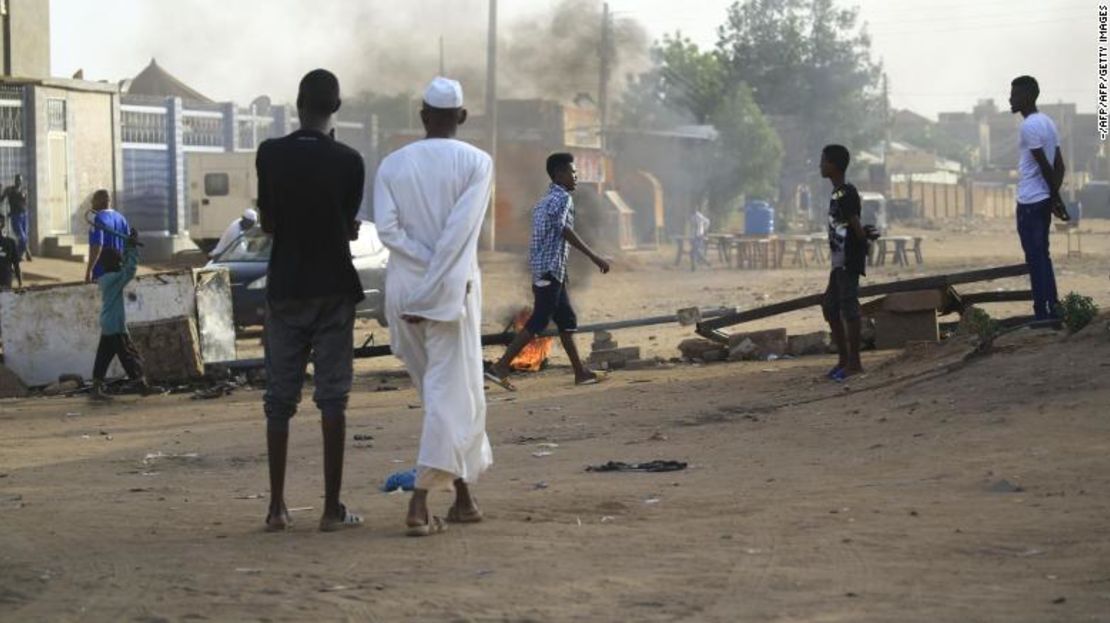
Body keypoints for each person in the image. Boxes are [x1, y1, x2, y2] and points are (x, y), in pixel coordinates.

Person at [374, 77, 494, 537]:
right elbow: (459, 235)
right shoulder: (478, 163)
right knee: (451, 394)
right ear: (462, 117)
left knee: (440, 396)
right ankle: (420, 504)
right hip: (447, 293)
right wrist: (435, 282)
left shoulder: (392, 164)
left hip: (405, 290)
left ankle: (464, 498)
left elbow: (387, 230)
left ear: (422, 114)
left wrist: (422, 275)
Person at [256, 69, 365, 533]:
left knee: (279, 401)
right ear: (335, 109)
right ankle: (330, 509)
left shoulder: (270, 154)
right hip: (334, 289)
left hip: (285, 288)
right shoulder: (350, 160)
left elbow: (268, 223)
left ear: (296, 103)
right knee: (332, 399)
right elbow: (345, 223)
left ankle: (277, 508)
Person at [487, 153, 610, 390]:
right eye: (572, 172)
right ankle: (500, 367)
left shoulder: (543, 201)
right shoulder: (562, 198)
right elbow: (564, 230)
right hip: (549, 271)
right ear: (559, 174)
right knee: (539, 320)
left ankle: (581, 372)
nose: (576, 177)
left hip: (551, 272)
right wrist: (594, 256)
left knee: (566, 320)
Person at [1009, 75, 1067, 321]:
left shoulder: (1029, 125)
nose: (1010, 99)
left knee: (1035, 258)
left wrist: (1055, 198)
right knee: (1043, 255)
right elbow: (1059, 166)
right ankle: (1052, 306)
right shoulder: (1048, 122)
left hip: (1031, 202)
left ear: (1028, 97)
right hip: (1042, 200)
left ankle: (1042, 313)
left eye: (1015, 94)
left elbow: (1045, 165)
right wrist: (1055, 198)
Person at [819, 145, 878, 382]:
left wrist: (863, 238)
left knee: (848, 307)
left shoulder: (846, 192)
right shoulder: (838, 193)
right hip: (838, 260)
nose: (821, 165)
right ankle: (844, 360)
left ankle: (854, 363)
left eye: (824, 161)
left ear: (834, 165)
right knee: (830, 306)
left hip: (848, 259)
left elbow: (854, 222)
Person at [90, 229, 154, 401]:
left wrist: (128, 245)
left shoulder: (106, 277)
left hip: (108, 322)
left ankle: (96, 387)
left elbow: (125, 266)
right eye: (118, 261)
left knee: (104, 356)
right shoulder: (114, 279)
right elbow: (130, 269)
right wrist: (132, 248)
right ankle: (140, 383)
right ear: (114, 263)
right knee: (128, 354)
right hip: (115, 323)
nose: (120, 263)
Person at [85, 190, 130, 283]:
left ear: (99, 201)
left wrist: (89, 271)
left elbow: (96, 247)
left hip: (102, 274)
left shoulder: (97, 219)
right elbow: (128, 245)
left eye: (93, 200)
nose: (91, 203)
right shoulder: (121, 218)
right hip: (119, 272)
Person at [1, 174, 31, 262]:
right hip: (15, 217)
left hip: (24, 215)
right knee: (22, 237)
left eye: (20, 181)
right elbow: (2, 199)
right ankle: (25, 252)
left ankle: (19, 255)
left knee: (25, 236)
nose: (19, 182)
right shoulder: (10, 190)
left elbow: (24, 203)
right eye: (17, 180)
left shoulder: (24, 190)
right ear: (15, 180)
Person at [0, 214, 22, 290]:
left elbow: (16, 264)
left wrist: (20, 283)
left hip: (5, 281)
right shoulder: (10, 242)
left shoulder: (10, 243)